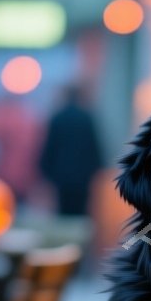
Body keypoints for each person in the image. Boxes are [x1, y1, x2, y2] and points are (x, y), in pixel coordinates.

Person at [39, 85, 104, 216]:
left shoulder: (58, 118)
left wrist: (46, 171)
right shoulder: (86, 118)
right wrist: (98, 169)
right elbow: (93, 147)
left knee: (64, 212)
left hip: (61, 176)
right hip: (83, 176)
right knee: (80, 212)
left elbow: (50, 148)